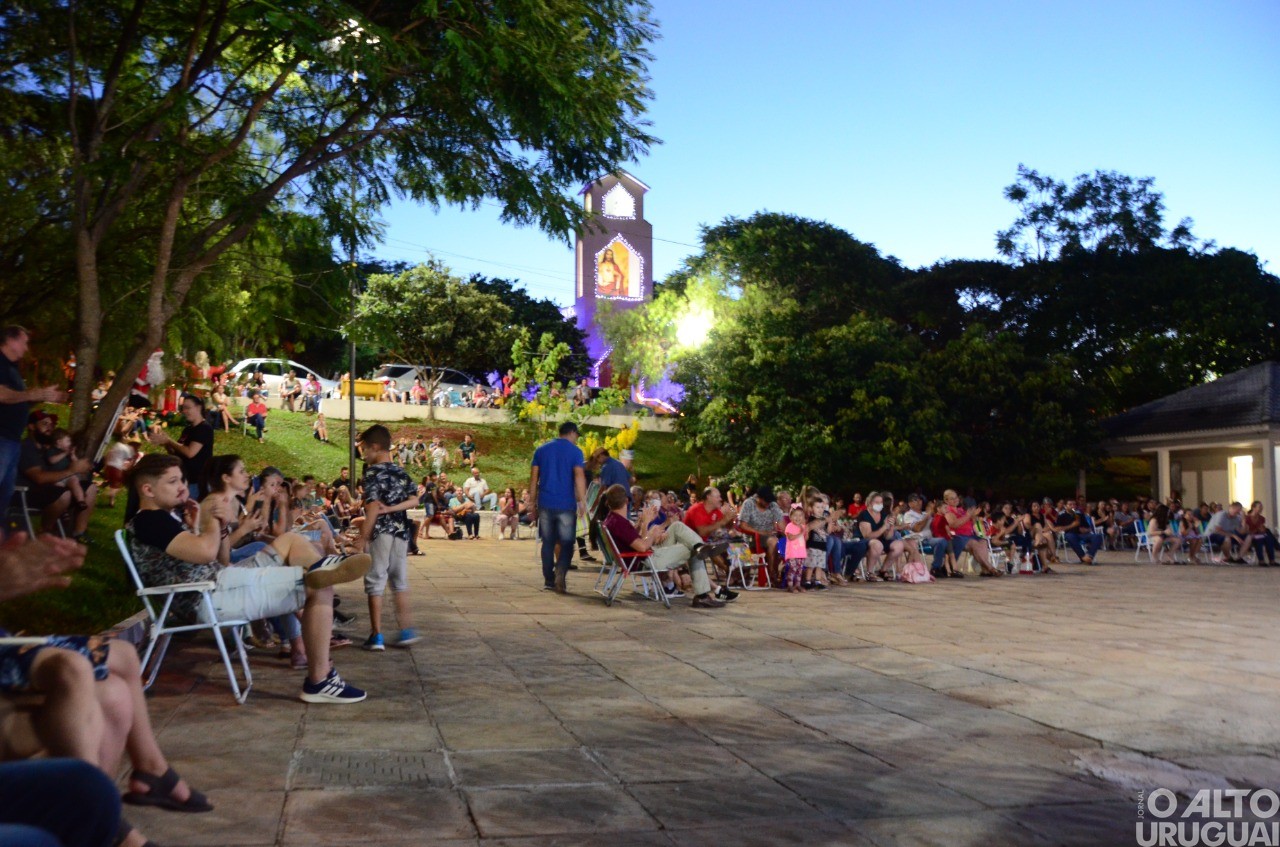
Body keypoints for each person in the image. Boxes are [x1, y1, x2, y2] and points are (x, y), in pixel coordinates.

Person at [126, 453, 372, 703]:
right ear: (148, 489)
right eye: (173, 482)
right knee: (319, 587)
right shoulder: (150, 521)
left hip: (219, 582)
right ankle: (320, 681)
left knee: (292, 541)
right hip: (208, 597)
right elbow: (206, 552)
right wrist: (211, 521)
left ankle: (321, 566)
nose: (181, 487)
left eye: (181, 480)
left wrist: (209, 526)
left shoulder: (164, 518)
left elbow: (219, 557)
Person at [350, 425, 420, 651]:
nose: (362, 454)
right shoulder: (401, 472)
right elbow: (414, 500)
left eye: (363, 449)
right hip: (401, 532)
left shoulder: (372, 473)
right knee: (399, 581)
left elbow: (371, 507)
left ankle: (376, 634)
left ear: (375, 447)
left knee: (375, 580)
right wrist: (393, 508)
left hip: (381, 532)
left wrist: (362, 537)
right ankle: (406, 630)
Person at [600, 484, 726, 608]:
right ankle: (702, 596)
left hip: (640, 557)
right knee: (692, 549)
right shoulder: (620, 523)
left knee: (677, 527)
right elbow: (642, 547)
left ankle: (700, 546)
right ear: (627, 500)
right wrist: (651, 531)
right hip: (646, 560)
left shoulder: (612, 519)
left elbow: (634, 539)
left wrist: (642, 523)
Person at [0, 326, 65, 523]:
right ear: (11, 340)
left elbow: (17, 400)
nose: (27, 348)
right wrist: (32, 394)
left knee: (4, 493)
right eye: (25, 342)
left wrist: (41, 397)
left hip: (11, 440)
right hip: (2, 438)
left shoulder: (12, 368)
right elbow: (2, 394)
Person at [19, 411, 97, 539]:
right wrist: (71, 471)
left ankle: (79, 534)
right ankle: (45, 531)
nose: (50, 427)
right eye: (45, 424)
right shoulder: (27, 448)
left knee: (90, 488)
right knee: (63, 495)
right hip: (28, 491)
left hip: (53, 487)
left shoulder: (49, 449)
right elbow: (39, 478)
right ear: (31, 426)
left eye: (52, 424)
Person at [530, 421, 586, 593]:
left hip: (546, 502)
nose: (576, 439)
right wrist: (582, 501)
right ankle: (561, 569)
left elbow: (533, 479)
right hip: (566, 504)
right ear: (572, 433)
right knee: (567, 542)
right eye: (576, 436)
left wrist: (532, 502)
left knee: (548, 542)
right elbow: (579, 476)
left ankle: (548, 580)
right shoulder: (575, 452)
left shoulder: (541, 450)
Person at [146, 393, 214, 501]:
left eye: (187, 408)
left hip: (196, 482)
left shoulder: (204, 428)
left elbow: (190, 452)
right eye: (183, 408)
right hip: (183, 479)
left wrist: (169, 440)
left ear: (199, 407)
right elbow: (176, 454)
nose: (184, 411)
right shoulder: (187, 429)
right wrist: (166, 443)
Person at [102, 432, 140, 508]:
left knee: (113, 485)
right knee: (117, 487)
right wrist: (128, 470)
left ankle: (111, 502)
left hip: (109, 466)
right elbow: (130, 464)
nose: (138, 446)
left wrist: (105, 466)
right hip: (117, 468)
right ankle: (107, 494)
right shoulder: (131, 451)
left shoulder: (117, 445)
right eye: (137, 445)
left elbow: (107, 454)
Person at [1245, 501, 1276, 566]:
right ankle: (1261, 560)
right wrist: (1256, 530)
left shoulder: (1262, 518)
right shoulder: (1247, 518)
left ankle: (1272, 560)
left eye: (1262, 507)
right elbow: (1246, 530)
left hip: (1259, 535)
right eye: (1260, 507)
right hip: (1250, 536)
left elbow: (1263, 529)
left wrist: (1262, 530)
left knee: (1268, 539)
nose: (1261, 508)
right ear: (1253, 508)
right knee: (1260, 540)